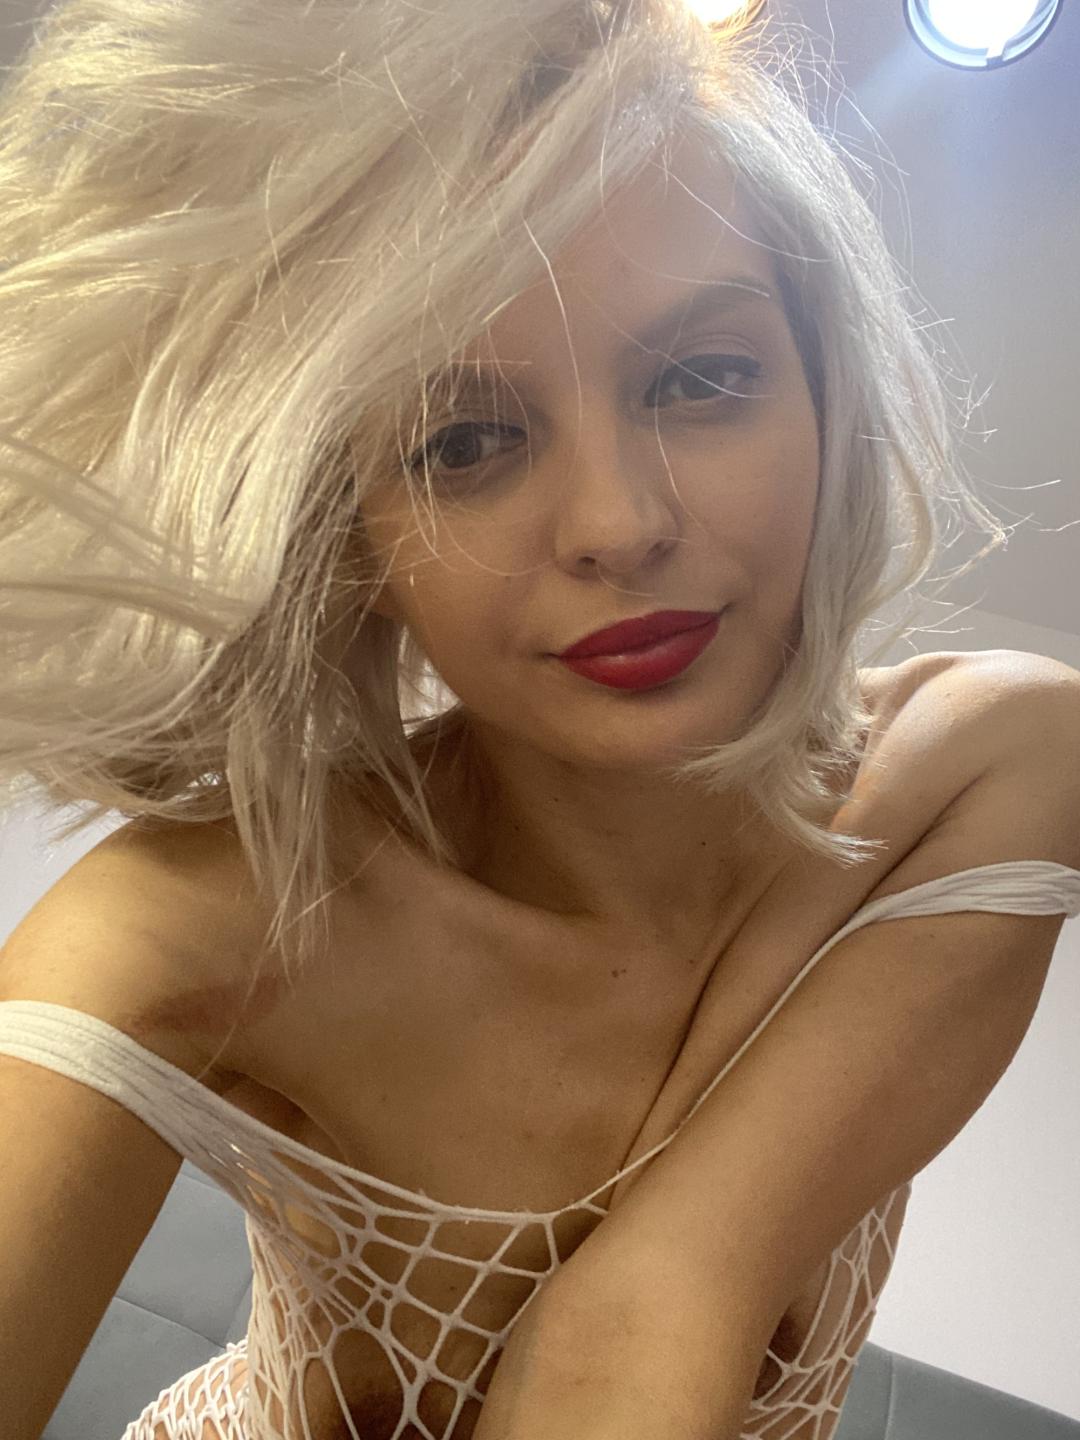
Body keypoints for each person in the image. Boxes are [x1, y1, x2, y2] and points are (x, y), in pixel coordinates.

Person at [1, 2, 1078, 1439]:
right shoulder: (210, 918)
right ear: (348, 532)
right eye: (463, 440)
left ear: (828, 394)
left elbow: (660, 1301)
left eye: (703, 377)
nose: (619, 524)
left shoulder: (994, 763)